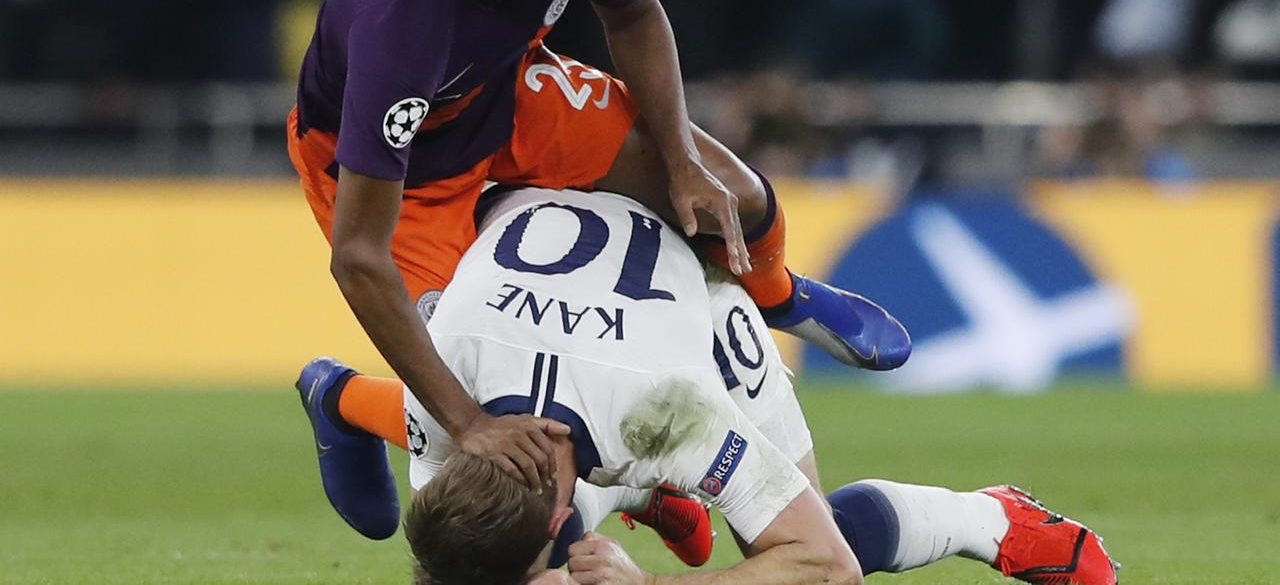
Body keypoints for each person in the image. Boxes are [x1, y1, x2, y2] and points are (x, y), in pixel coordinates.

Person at [286, 0, 911, 503]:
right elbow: (359, 257)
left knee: (738, 195)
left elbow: (635, 16)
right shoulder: (398, 34)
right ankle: (344, 399)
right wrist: (471, 424)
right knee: (475, 404)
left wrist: (679, 156)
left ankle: (779, 295)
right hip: (401, 169)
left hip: (504, 94)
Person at [297, 186, 1119, 585]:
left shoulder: (668, 413)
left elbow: (822, 566)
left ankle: (989, 517)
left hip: (702, 303)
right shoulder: (441, 397)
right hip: (547, 231)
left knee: (803, 538)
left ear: (559, 506)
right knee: (501, 560)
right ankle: (645, 499)